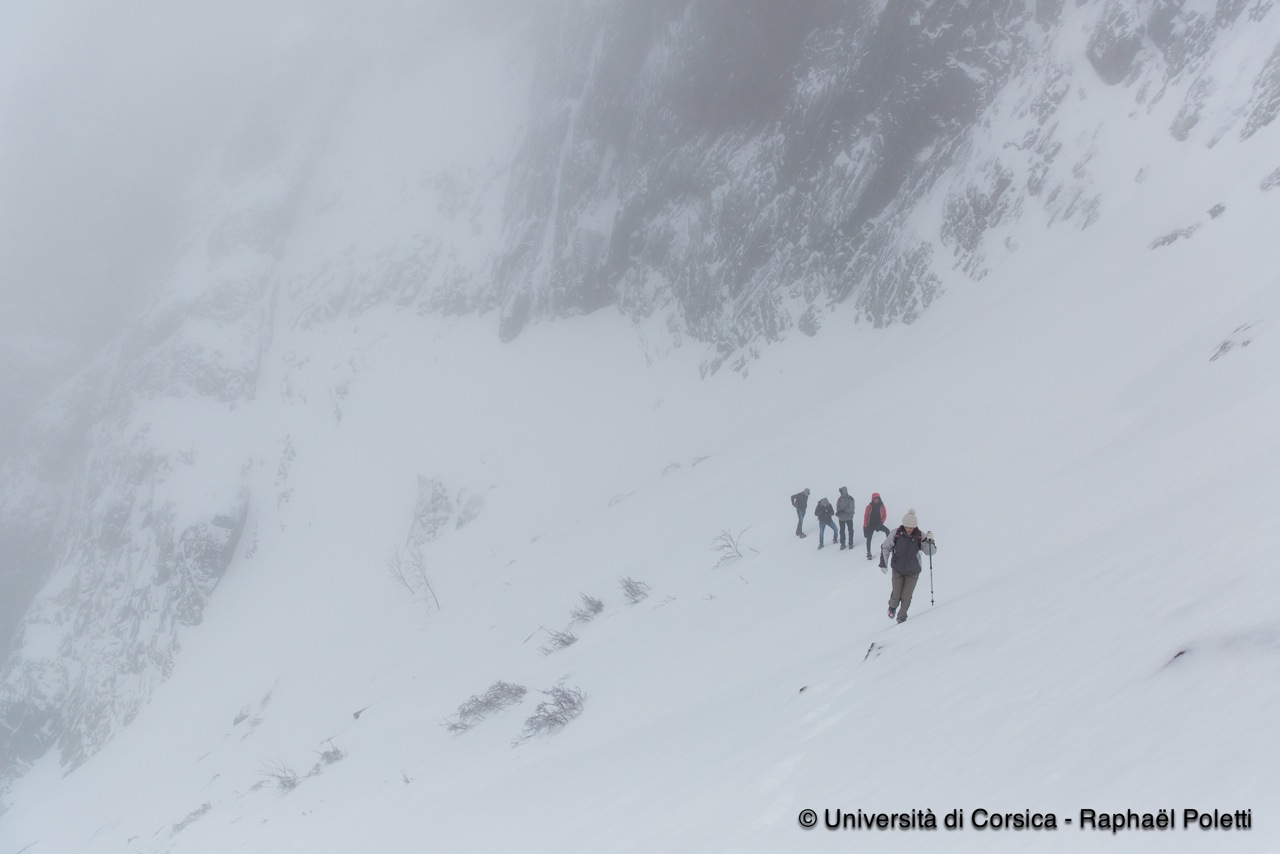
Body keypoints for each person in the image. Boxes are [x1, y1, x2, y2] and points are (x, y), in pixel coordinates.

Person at [879, 508, 937, 623]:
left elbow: (930, 552)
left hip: (913, 571)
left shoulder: (920, 536)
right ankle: (892, 607)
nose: (909, 529)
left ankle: (901, 619)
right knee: (896, 596)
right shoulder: (896, 533)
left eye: (911, 527)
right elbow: (886, 547)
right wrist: (883, 563)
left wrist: (930, 541)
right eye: (907, 527)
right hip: (898, 569)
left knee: (906, 597)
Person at [862, 492, 890, 560]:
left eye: (877, 499)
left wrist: (881, 523)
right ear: (872, 499)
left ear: (879, 499)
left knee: (887, 531)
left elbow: (884, 515)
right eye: (875, 499)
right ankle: (868, 553)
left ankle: (888, 547)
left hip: (878, 524)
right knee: (869, 539)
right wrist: (865, 527)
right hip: (870, 525)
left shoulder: (882, 506)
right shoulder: (869, 507)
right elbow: (865, 517)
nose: (876, 500)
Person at [835, 487, 856, 551]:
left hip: (848, 517)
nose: (840, 493)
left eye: (841, 491)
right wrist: (838, 512)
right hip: (841, 518)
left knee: (850, 530)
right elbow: (837, 506)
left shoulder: (850, 498)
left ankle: (850, 543)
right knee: (842, 531)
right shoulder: (839, 499)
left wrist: (843, 511)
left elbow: (851, 508)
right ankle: (842, 543)